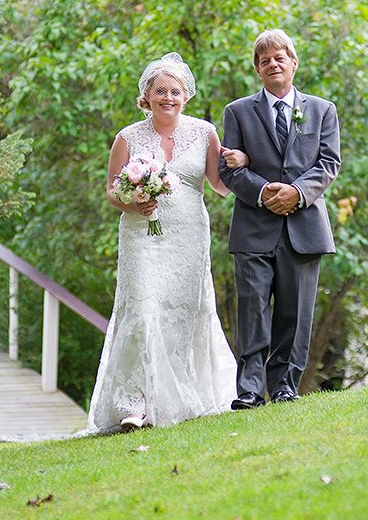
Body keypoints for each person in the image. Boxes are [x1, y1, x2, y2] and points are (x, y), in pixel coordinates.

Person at [87, 53, 239, 433]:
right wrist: (133, 200)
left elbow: (219, 185)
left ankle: (180, 393)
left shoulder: (205, 132)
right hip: (141, 234)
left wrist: (241, 165)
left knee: (186, 311)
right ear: (147, 96)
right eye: (160, 91)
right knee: (141, 308)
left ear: (185, 96)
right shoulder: (128, 137)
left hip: (189, 233)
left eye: (175, 91)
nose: (168, 97)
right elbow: (111, 191)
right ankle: (133, 404)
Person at [218, 30, 341, 408]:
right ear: (257, 69)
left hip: (304, 228)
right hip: (254, 226)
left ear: (293, 62)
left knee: (295, 312)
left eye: (280, 57)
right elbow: (229, 168)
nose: (273, 64)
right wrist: (263, 192)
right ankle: (251, 390)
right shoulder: (238, 112)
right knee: (252, 309)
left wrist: (297, 194)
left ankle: (285, 386)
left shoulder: (323, 110)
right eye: (265, 60)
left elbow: (329, 163)